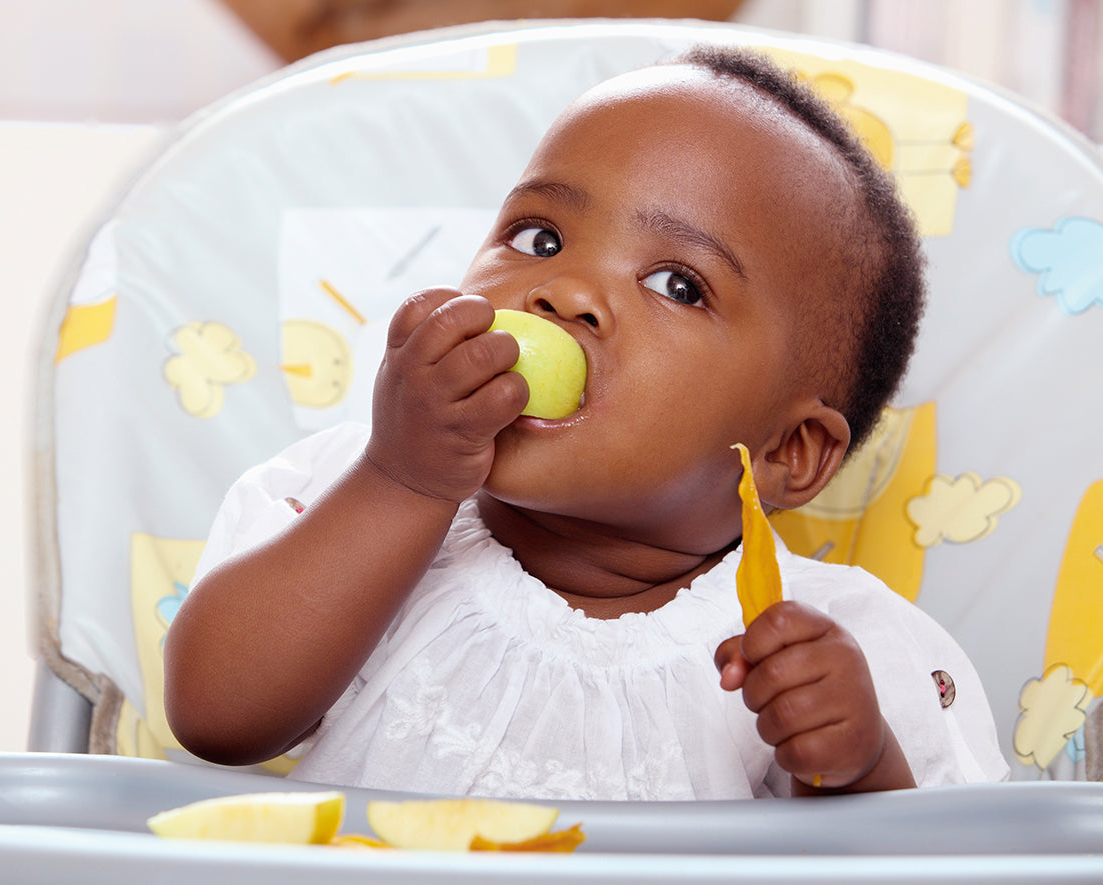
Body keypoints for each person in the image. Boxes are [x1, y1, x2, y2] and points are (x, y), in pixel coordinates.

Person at [163, 45, 1009, 800]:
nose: (565, 291)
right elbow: (218, 719)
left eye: (678, 283)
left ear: (789, 451)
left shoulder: (817, 647)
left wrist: (856, 770)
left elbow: (932, 863)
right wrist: (402, 481)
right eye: (537, 236)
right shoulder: (358, 494)